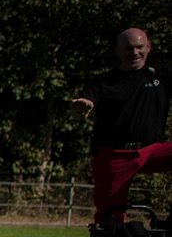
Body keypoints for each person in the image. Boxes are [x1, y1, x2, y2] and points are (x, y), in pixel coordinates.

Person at [69, 27, 171, 221]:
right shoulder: (102, 82)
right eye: (128, 48)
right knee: (110, 220)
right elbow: (82, 107)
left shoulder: (162, 74)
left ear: (148, 47)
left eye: (139, 47)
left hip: (152, 151)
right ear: (117, 51)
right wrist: (82, 107)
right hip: (115, 155)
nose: (134, 53)